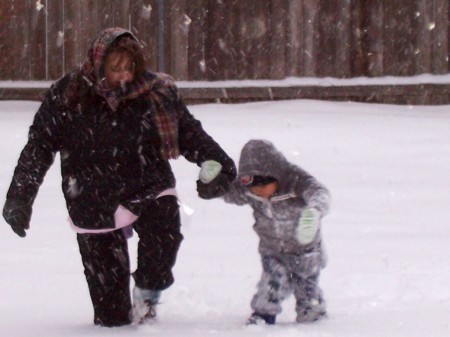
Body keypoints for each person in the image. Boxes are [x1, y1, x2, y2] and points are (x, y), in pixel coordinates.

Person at [2, 27, 236, 327]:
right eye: (115, 69)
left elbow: (189, 132)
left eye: (130, 68)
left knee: (163, 239)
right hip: (92, 198)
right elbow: (39, 147)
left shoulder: (154, 92)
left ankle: (147, 295)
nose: (124, 76)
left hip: (147, 185)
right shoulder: (67, 94)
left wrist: (220, 165)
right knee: (112, 317)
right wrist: (20, 197)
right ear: (97, 64)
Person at [221, 139, 330, 325]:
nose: (259, 192)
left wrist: (314, 211)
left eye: (263, 186)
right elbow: (230, 193)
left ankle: (312, 314)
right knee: (271, 282)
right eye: (253, 188)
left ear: (274, 176)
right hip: (272, 249)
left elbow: (319, 192)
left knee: (306, 286)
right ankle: (263, 314)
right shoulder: (250, 190)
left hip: (306, 249)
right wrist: (213, 184)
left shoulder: (294, 179)